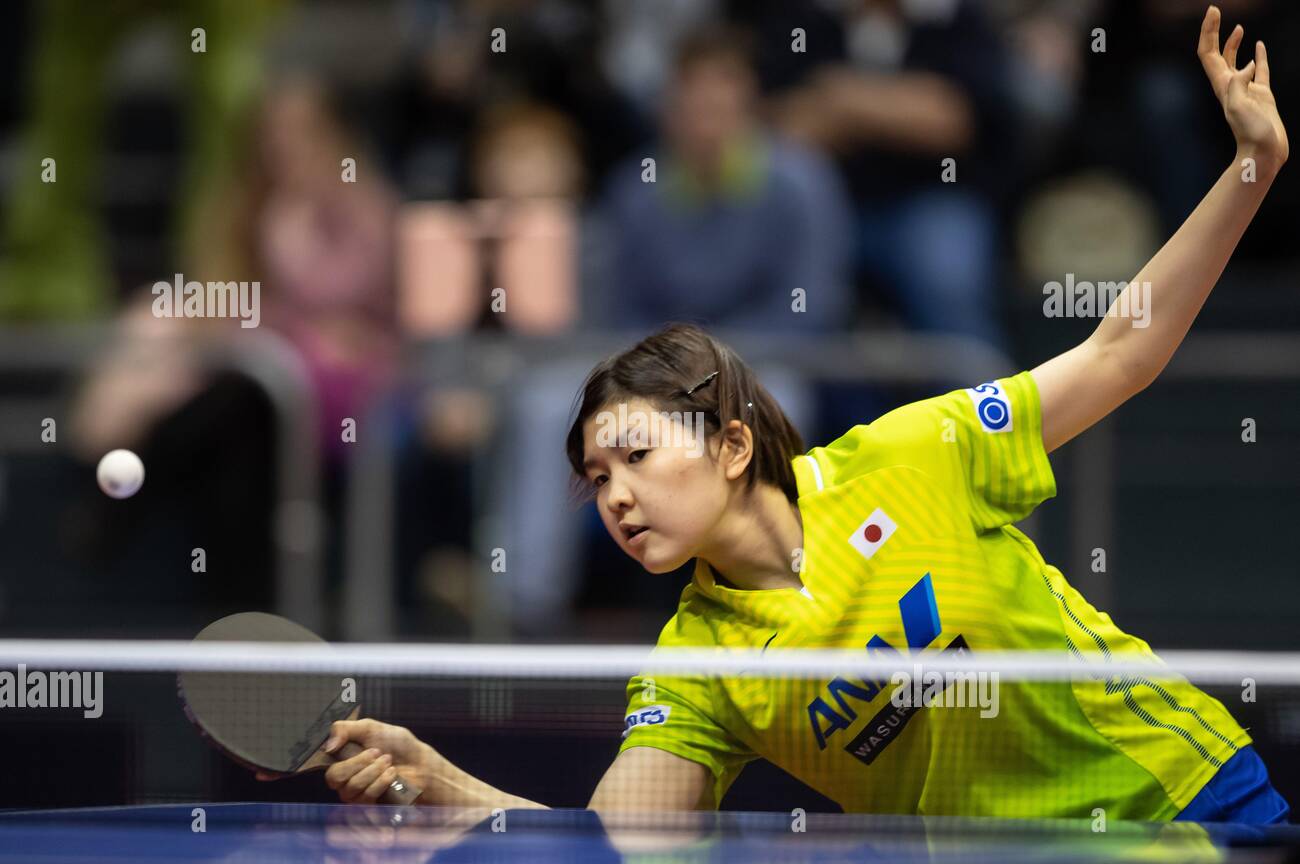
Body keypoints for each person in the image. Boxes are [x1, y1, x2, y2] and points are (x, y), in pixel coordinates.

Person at [312, 7, 1289, 821]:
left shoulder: (909, 452)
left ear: (733, 444)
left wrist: (1251, 165)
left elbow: (1119, 352)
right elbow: (610, 847)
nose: (614, 497)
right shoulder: (699, 663)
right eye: (597, 478)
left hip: (1186, 805)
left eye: (635, 456)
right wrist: (444, 784)